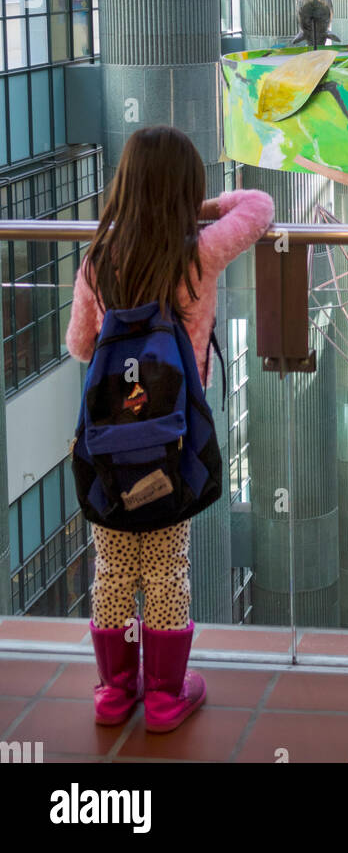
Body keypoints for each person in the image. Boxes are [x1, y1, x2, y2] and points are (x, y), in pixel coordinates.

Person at [66, 127, 274, 732]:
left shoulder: (99, 260)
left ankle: (113, 693)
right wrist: (200, 211)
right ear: (184, 191)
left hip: (109, 447)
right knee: (165, 567)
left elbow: (81, 346)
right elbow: (258, 207)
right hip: (171, 440)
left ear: (125, 187)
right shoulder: (197, 253)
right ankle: (163, 697)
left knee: (112, 568)